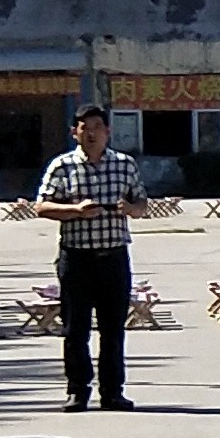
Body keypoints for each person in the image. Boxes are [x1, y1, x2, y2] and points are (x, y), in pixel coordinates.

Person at [34, 102, 143, 413]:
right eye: (85, 128)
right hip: (76, 259)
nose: (91, 133)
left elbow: (142, 202)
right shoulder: (62, 166)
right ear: (74, 133)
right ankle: (77, 391)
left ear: (107, 131)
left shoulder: (125, 165)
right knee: (75, 329)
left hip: (113, 258)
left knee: (113, 329)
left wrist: (131, 209)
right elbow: (41, 207)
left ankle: (113, 392)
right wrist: (74, 211)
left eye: (97, 127)